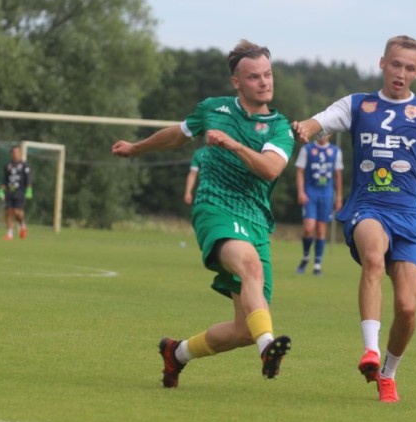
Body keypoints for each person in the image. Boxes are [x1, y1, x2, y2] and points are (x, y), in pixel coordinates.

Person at [292, 35, 416, 403]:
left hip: (409, 217)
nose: (400, 73)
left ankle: (387, 373)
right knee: (373, 258)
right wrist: (307, 127)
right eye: (395, 65)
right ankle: (370, 351)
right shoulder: (359, 105)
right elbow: (320, 121)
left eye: (409, 68)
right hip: (368, 207)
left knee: (407, 308)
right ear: (382, 63)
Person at [111, 39, 294, 386]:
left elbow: (269, 169)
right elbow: (177, 135)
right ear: (236, 83)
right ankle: (268, 347)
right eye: (254, 77)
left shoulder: (280, 127)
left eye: (268, 74)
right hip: (215, 207)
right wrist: (136, 148)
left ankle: (176, 353)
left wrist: (233, 144)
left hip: (254, 218)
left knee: (244, 329)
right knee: (250, 268)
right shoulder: (213, 109)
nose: (264, 82)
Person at [294, 134, 343, 275]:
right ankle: (305, 256)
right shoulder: (307, 149)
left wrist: (338, 197)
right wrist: (301, 192)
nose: (323, 135)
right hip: (310, 193)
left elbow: (338, 175)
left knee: (321, 230)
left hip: (326, 194)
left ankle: (317, 264)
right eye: (320, 132)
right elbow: (299, 171)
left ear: (330, 134)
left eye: (326, 132)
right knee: (309, 228)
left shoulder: (335, 151)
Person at [0, 145, 32, 240]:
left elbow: (28, 179)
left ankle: (22, 225)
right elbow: (4, 179)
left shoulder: (25, 166)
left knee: (17, 212)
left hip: (20, 191)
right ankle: (9, 233)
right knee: (8, 211)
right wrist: (1, 190)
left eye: (17, 152)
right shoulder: (8, 166)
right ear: (11, 154)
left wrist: (29, 190)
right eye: (13, 152)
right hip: (9, 191)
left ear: (20, 153)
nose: (15, 154)